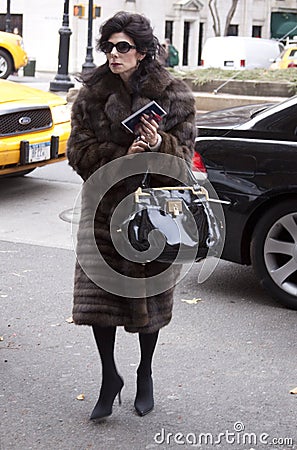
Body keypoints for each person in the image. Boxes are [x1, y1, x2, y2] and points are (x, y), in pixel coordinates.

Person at [67, 11, 196, 420]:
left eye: (123, 47)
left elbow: (185, 161)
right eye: (108, 46)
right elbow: (77, 152)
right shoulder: (90, 96)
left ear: (142, 51)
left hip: (151, 214)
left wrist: (159, 144)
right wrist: (122, 156)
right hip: (104, 209)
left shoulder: (175, 96)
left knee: (149, 302)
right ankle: (109, 376)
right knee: (98, 302)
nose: (114, 54)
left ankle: (145, 373)